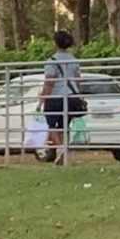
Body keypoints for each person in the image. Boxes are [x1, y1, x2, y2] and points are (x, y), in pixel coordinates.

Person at [39, 31, 85, 165]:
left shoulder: (51, 61)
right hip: (71, 97)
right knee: (65, 126)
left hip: (55, 97)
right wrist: (79, 94)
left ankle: (60, 148)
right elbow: (77, 80)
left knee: (51, 124)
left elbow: (49, 83)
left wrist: (41, 100)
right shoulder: (74, 60)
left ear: (55, 43)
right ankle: (63, 151)